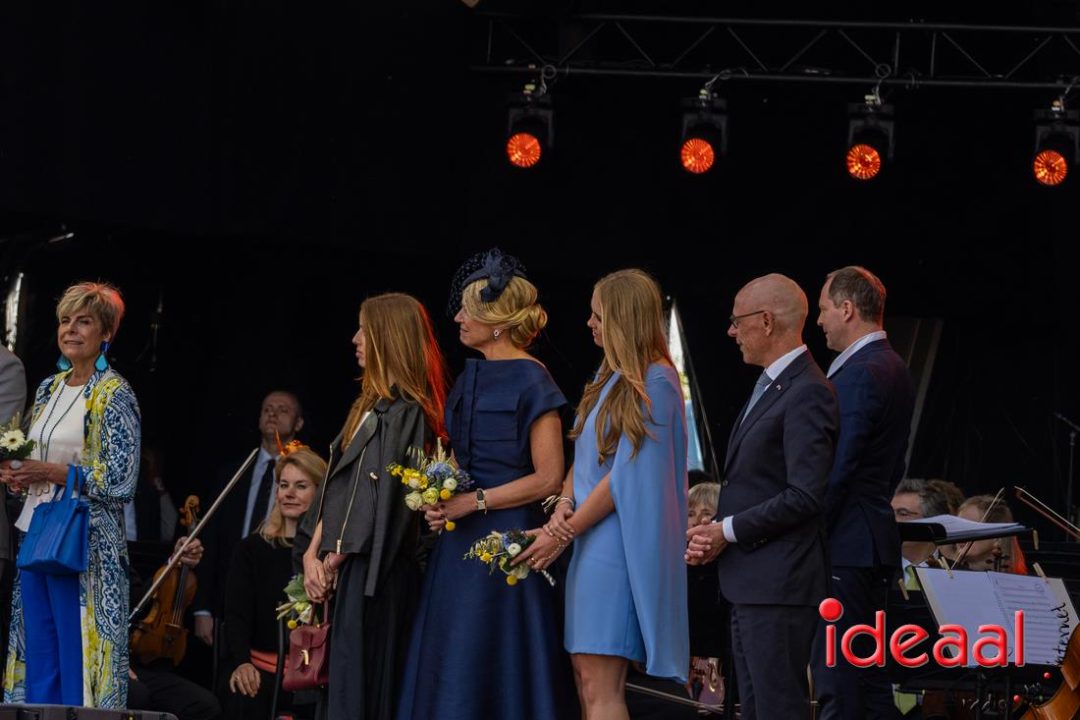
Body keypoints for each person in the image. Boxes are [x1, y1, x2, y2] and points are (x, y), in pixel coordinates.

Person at [397, 249, 572, 720]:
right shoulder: (468, 376)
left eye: (467, 310)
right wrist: (438, 495)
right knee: (452, 651)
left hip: (506, 536)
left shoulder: (533, 379)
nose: (457, 318)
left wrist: (472, 502)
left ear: (496, 323)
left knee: (494, 653)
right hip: (458, 541)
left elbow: (549, 477)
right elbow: (460, 454)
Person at [525, 268, 689, 720]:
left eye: (598, 315)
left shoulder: (657, 380)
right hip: (588, 539)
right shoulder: (609, 374)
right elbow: (586, 452)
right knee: (586, 678)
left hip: (617, 545)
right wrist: (563, 504)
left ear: (623, 318)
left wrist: (562, 532)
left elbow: (626, 478)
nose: (590, 323)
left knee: (601, 685)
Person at [686, 273, 837, 720]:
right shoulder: (774, 384)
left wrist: (726, 531)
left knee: (776, 708)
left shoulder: (808, 390)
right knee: (753, 708)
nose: (731, 332)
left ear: (766, 321)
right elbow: (756, 484)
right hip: (752, 581)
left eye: (737, 321)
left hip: (779, 584)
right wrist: (717, 533)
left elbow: (805, 494)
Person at [301, 292, 447, 720]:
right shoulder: (368, 407)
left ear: (389, 337)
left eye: (365, 330)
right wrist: (312, 554)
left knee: (361, 694)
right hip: (343, 568)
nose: (355, 339)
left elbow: (384, 501)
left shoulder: (408, 413)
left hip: (374, 576)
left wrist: (333, 559)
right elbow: (339, 488)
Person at [0, 281, 141, 708]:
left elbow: (120, 481)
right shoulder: (49, 388)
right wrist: (20, 473)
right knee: (38, 655)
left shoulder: (115, 393)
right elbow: (37, 453)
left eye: (84, 322)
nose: (71, 330)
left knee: (77, 658)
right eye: (65, 321)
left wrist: (51, 472)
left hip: (85, 544)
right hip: (38, 531)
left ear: (106, 333)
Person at [812, 265, 915, 720]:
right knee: (868, 680)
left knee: (839, 680)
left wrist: (807, 532)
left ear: (848, 309)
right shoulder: (894, 366)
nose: (819, 321)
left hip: (845, 547)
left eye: (823, 309)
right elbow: (893, 466)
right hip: (868, 541)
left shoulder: (861, 372)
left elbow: (838, 468)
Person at [194, 390, 305, 648]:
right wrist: (202, 607)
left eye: (283, 410)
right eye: (267, 409)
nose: (273, 414)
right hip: (228, 595)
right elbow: (210, 540)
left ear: (299, 423)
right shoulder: (232, 473)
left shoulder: (304, 478)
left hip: (278, 597)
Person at [225, 445, 326, 720]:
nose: (289, 493)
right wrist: (242, 663)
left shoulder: (328, 555)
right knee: (244, 697)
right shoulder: (251, 549)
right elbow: (236, 616)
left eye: (301, 486)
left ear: (320, 493)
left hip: (314, 677)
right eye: (284, 485)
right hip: (261, 671)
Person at [128, 535, 221, 720]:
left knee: (205, 705)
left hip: (136, 662)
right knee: (137, 696)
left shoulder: (116, 558)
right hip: (98, 662)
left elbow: (138, 600)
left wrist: (175, 561)